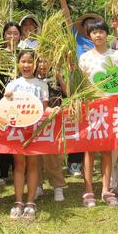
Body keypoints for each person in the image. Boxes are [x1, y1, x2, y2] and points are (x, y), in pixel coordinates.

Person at [4, 49, 58, 220]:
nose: (26, 65)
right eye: (23, 61)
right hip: (17, 132)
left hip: (35, 131)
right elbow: (4, 108)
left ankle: (31, 202)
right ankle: (18, 201)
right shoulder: (12, 85)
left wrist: (53, 110)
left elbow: (44, 107)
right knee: (19, 165)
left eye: (30, 62)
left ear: (36, 64)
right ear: (18, 64)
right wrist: (7, 97)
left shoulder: (42, 85)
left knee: (34, 165)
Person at [56, 0, 102, 174]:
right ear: (82, 27)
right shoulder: (76, 37)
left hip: (95, 87)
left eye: (94, 25)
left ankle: (88, 160)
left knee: (91, 122)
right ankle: (74, 161)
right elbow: (66, 18)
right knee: (76, 121)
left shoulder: (98, 42)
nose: (91, 28)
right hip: (76, 83)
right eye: (87, 25)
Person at [79, 18, 118, 207]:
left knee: (107, 150)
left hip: (111, 107)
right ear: (89, 36)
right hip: (91, 109)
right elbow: (80, 85)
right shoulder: (84, 58)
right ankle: (88, 190)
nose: (98, 35)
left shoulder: (116, 56)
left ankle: (106, 190)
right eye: (93, 32)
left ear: (107, 33)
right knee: (89, 150)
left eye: (101, 31)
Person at [35, 58, 66, 202]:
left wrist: (60, 77)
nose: (42, 64)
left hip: (54, 120)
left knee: (53, 156)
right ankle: (37, 186)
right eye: (39, 61)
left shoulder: (56, 77)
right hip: (34, 121)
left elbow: (69, 93)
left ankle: (58, 187)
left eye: (45, 61)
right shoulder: (31, 79)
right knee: (36, 156)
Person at [0, 21, 21, 186]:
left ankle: (18, 170)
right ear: (4, 35)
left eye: (15, 33)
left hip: (20, 101)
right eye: (8, 33)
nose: (12, 36)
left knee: (19, 136)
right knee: (3, 135)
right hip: (2, 99)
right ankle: (2, 173)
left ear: (20, 36)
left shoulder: (24, 53)